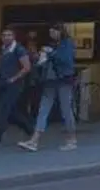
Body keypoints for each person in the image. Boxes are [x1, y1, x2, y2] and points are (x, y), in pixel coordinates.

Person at [20, 23, 76, 151]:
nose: (52, 35)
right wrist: (39, 57)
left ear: (60, 31)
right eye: (51, 32)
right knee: (43, 109)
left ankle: (71, 138)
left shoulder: (67, 43)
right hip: (50, 80)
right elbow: (44, 62)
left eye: (54, 32)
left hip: (63, 80)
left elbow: (66, 60)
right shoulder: (53, 45)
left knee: (66, 109)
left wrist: (50, 53)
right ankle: (34, 140)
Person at [0, 28, 30, 144]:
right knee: (12, 111)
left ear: (14, 37)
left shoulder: (19, 49)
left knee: (3, 108)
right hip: (3, 82)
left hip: (14, 84)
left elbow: (27, 67)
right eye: (4, 35)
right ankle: (29, 129)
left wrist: (14, 78)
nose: (6, 37)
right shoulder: (3, 49)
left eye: (9, 35)